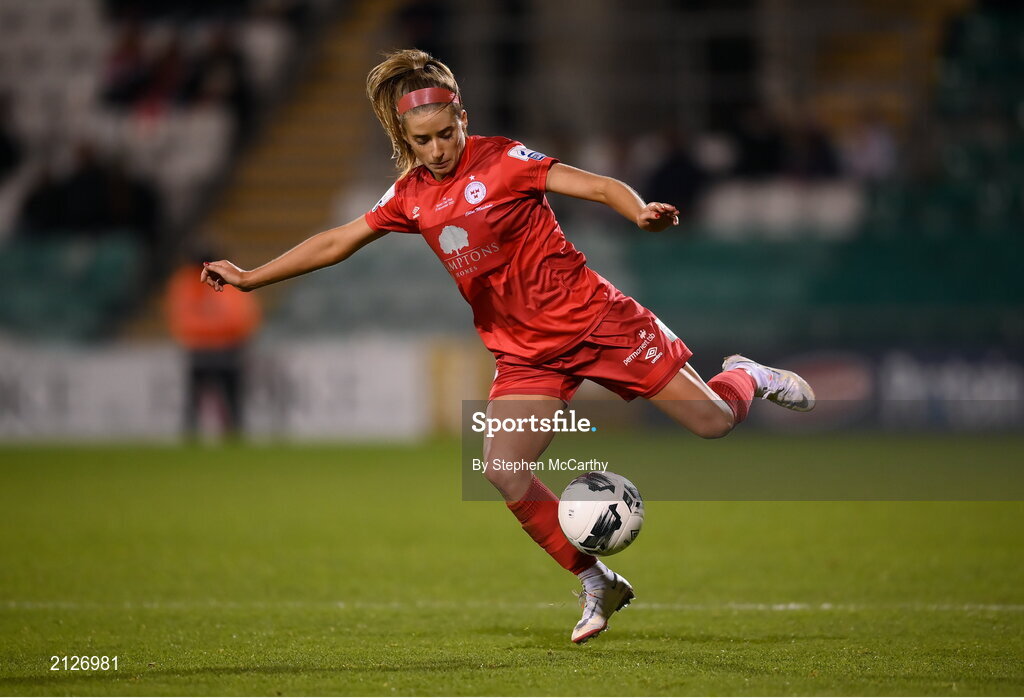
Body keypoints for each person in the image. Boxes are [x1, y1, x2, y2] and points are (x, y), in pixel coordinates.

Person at [200, 49, 815, 644]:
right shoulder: (410, 196)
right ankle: (596, 579)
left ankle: (747, 374)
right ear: (405, 139)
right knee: (502, 469)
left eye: (446, 133)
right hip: (525, 353)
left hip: (596, 321)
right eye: (423, 141)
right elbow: (336, 241)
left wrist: (639, 212)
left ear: (462, 116)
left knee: (713, 423)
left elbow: (598, 186)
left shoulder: (504, 161)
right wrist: (251, 277)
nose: (438, 149)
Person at [168, 247, 262, 439]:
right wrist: (221, 329)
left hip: (207, 349)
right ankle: (231, 437)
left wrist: (205, 329)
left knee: (203, 400)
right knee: (226, 400)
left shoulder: (185, 283)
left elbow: (183, 321)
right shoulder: (228, 278)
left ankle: (198, 438)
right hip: (223, 348)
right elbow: (242, 319)